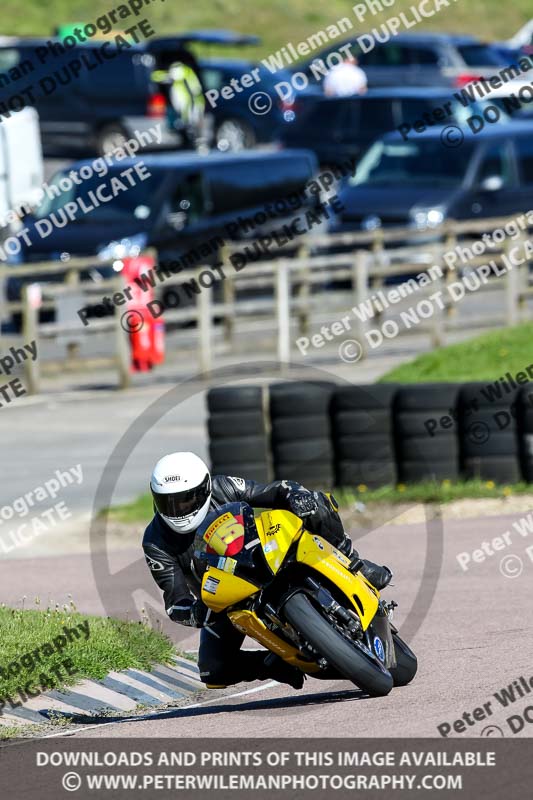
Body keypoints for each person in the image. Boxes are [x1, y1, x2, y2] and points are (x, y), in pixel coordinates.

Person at [143, 452, 392, 690]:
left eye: (186, 499)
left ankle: (354, 562)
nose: (178, 511)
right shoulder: (155, 542)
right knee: (213, 670)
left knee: (316, 503)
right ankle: (277, 663)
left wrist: (294, 495)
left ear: (205, 489)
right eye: (168, 503)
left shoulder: (223, 487)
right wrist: (196, 612)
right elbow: (175, 602)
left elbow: (273, 490)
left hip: (264, 555)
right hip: (226, 601)